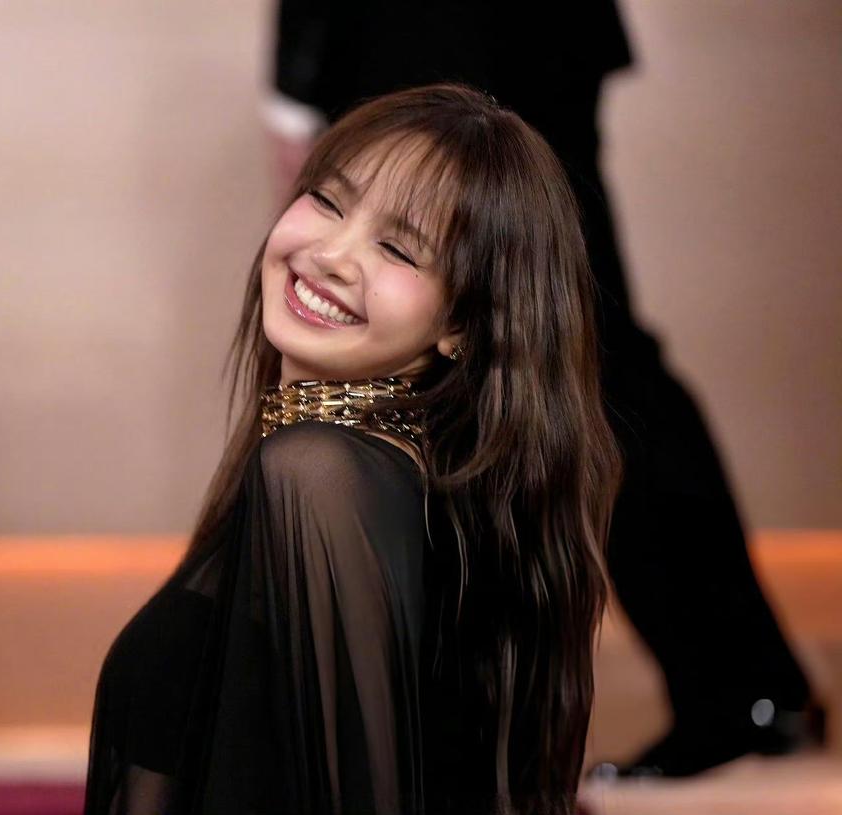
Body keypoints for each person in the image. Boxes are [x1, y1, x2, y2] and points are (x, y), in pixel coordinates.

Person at [265, 1, 826, 778]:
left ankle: (732, 686)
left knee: (584, 359)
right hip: (502, 34)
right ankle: (728, 684)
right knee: (557, 360)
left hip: (456, 33)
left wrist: (294, 82)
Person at [84, 84, 622, 815]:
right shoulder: (367, 473)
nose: (332, 254)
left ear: (462, 326)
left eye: (398, 248)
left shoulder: (321, 475)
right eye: (328, 201)